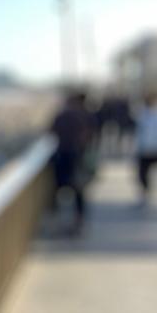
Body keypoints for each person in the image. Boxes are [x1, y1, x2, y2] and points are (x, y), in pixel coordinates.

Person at [49, 90, 96, 234]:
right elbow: (92, 135)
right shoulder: (86, 116)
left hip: (63, 156)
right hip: (79, 157)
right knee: (79, 191)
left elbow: (51, 131)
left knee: (58, 189)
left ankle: (57, 222)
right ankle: (79, 222)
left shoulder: (62, 115)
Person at [135, 93, 157, 206]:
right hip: (144, 149)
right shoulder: (142, 114)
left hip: (154, 148)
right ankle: (144, 194)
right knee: (142, 174)